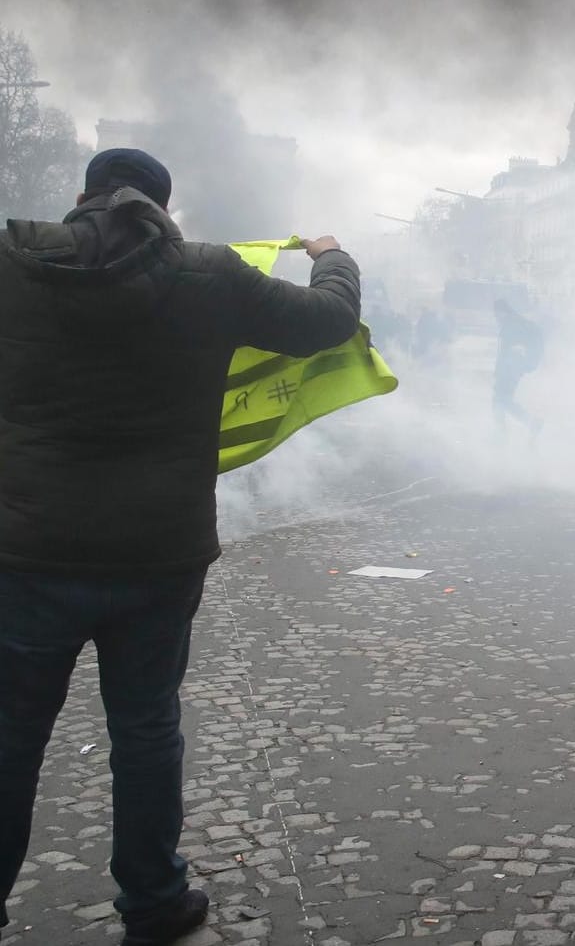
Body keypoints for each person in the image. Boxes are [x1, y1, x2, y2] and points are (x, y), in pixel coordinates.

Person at [0, 149, 360, 944]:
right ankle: (155, 901)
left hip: (28, 551)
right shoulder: (212, 275)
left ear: (84, 195)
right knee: (146, 729)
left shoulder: (14, 259)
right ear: (163, 207)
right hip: (158, 555)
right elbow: (329, 323)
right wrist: (332, 256)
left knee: (10, 734)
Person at [491, 297, 543, 438]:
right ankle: (528, 424)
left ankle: (529, 424)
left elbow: (504, 352)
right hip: (514, 369)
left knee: (500, 401)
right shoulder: (517, 323)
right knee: (502, 401)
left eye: (496, 313)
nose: (495, 317)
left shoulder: (510, 326)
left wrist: (499, 371)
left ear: (502, 311)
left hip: (510, 369)